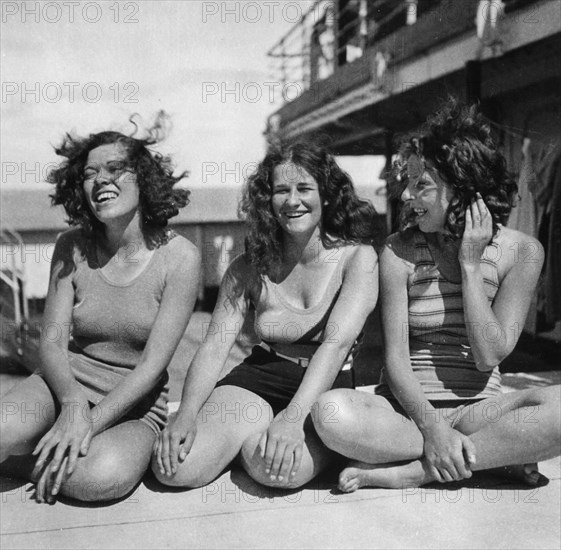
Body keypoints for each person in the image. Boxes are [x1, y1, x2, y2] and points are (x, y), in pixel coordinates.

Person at [312, 98, 561, 492]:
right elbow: (395, 361)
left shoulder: (523, 251)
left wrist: (471, 265)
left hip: (480, 411)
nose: (407, 197)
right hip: (408, 414)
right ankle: (486, 457)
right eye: (407, 184)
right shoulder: (397, 251)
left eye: (421, 185)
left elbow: (489, 355)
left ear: (462, 187)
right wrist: (433, 429)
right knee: (330, 412)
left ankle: (416, 471)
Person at [153, 141, 379, 489]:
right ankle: (249, 434)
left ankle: (272, 441)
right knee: (175, 467)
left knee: (276, 472)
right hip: (262, 375)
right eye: (280, 191)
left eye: (304, 188)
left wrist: (292, 418)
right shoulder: (248, 267)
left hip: (325, 387)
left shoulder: (359, 258)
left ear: (327, 195)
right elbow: (214, 347)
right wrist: (186, 415)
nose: (292, 201)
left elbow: (335, 346)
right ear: (267, 200)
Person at [0, 115, 201, 503]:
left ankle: (40, 451)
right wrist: (73, 405)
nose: (101, 180)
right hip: (64, 385)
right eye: (90, 174)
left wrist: (88, 424)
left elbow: (151, 368)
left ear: (143, 179)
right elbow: (52, 345)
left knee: (96, 479)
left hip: (134, 404)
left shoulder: (181, 258)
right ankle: (42, 444)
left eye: (115, 169)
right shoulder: (70, 245)